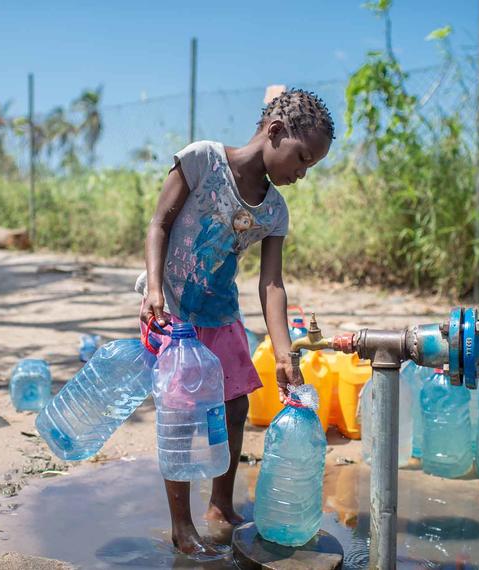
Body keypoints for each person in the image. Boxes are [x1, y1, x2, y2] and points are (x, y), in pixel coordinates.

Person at [137, 88, 334, 557]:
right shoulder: (202, 160)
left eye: (310, 167)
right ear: (275, 132)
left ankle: (220, 506)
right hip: (172, 310)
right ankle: (181, 527)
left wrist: (284, 350)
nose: (301, 174)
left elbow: (271, 285)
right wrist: (153, 289)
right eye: (301, 158)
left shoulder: (273, 212)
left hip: (220, 311)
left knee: (236, 406)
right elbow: (159, 224)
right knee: (181, 416)